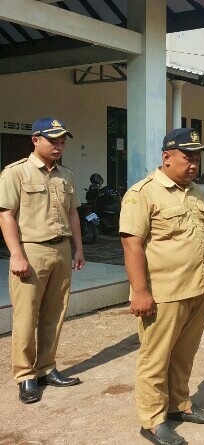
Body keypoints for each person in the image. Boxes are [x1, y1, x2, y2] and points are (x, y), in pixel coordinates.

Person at [120, 128, 204, 445]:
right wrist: (140, 291)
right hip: (163, 294)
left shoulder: (197, 194)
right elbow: (131, 244)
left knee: (184, 355)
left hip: (195, 290)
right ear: (167, 157)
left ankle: (179, 405)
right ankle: (152, 421)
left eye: (197, 158)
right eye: (187, 157)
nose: (194, 164)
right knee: (155, 359)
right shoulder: (143, 193)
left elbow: (200, 238)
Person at [0, 117, 85, 404]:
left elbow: (73, 213)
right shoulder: (16, 173)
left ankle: (46, 368)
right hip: (31, 252)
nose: (59, 146)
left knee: (55, 313)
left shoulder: (67, 176)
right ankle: (26, 376)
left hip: (60, 250)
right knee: (26, 316)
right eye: (53, 140)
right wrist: (16, 254)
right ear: (35, 140)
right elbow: (6, 215)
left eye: (62, 141)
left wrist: (78, 248)